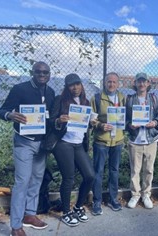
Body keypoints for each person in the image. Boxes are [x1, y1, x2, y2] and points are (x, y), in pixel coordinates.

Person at [0, 61, 55, 236]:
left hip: (42, 144)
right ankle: (16, 226)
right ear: (33, 72)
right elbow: (2, 110)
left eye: (45, 72)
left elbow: (50, 118)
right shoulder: (20, 89)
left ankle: (30, 215)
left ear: (49, 74)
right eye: (39, 72)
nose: (42, 75)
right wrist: (10, 115)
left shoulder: (51, 92)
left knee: (37, 179)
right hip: (24, 141)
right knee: (22, 182)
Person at [48, 73, 94, 226]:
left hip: (79, 144)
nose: (75, 88)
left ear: (81, 85)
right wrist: (59, 120)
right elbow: (51, 121)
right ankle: (66, 212)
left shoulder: (85, 102)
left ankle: (78, 207)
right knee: (69, 178)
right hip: (64, 144)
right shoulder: (60, 100)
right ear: (67, 87)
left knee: (90, 176)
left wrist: (92, 123)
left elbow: (85, 124)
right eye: (71, 85)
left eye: (77, 84)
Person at [125, 72, 158, 209]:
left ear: (148, 84)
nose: (141, 84)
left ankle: (146, 194)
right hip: (135, 139)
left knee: (149, 169)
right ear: (135, 83)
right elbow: (124, 119)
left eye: (144, 81)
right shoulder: (129, 99)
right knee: (135, 170)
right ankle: (135, 195)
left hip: (151, 140)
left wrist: (155, 122)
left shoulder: (154, 99)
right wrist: (130, 125)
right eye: (139, 81)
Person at [90, 72, 126, 215]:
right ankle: (97, 201)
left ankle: (113, 199)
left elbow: (127, 116)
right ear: (104, 83)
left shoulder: (123, 98)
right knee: (98, 172)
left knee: (114, 171)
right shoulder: (97, 98)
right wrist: (100, 125)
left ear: (118, 84)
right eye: (109, 82)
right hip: (101, 141)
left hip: (117, 141)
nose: (111, 84)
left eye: (114, 82)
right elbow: (92, 119)